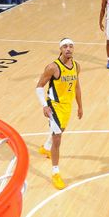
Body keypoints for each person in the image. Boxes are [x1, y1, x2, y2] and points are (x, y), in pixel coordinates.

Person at [35, 38, 83, 190]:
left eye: (70, 46)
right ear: (60, 50)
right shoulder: (53, 67)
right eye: (65, 47)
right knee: (58, 138)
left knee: (60, 130)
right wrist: (44, 106)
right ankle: (55, 172)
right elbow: (39, 87)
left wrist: (80, 106)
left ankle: (45, 147)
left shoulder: (76, 66)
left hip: (67, 106)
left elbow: (76, 87)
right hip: (54, 106)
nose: (68, 49)